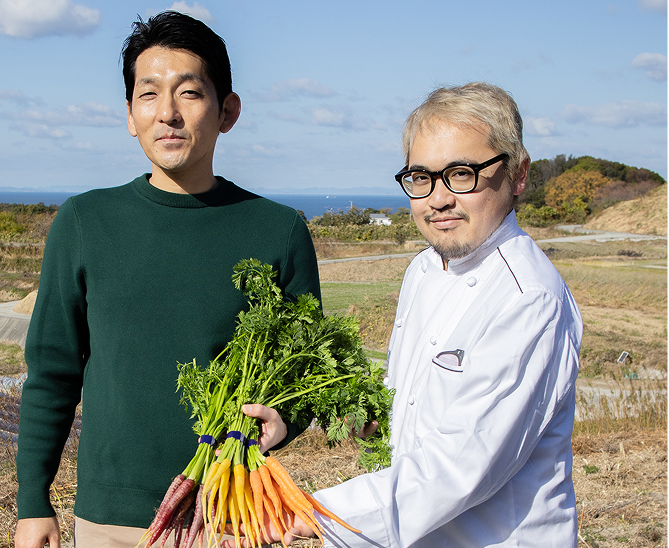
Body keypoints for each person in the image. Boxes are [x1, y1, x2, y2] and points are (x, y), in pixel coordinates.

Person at [13, 11, 320, 548]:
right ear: (130, 114)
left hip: (229, 514)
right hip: (108, 518)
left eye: (190, 93)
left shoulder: (279, 231)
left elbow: (307, 372)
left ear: (228, 111)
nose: (168, 114)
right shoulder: (85, 223)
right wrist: (33, 502)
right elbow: (52, 374)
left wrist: (286, 419)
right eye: (148, 94)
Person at [241, 82, 583, 548]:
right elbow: (402, 410)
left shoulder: (526, 298)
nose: (437, 199)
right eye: (420, 177)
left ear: (518, 175)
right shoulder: (423, 268)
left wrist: (316, 514)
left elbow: (459, 466)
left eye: (461, 174)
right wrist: (309, 412)